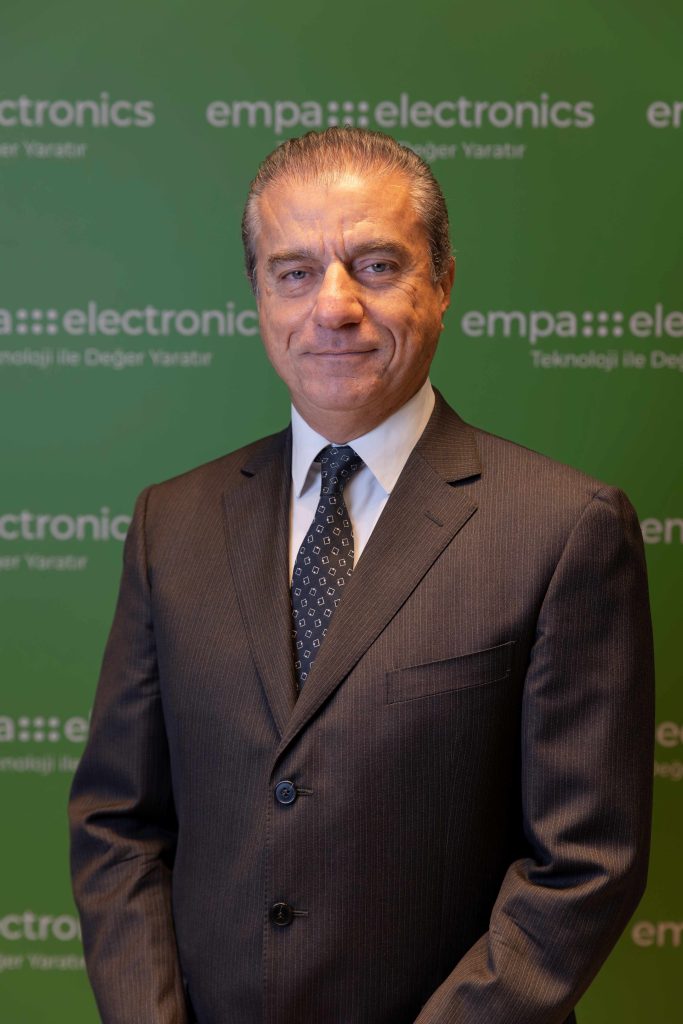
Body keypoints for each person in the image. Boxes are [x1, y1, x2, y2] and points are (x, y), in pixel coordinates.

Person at [69, 127, 654, 1024]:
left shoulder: (565, 528)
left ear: (442, 283)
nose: (333, 306)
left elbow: (583, 863)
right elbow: (118, 825)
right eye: (294, 272)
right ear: (258, 296)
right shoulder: (170, 523)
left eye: (375, 266)